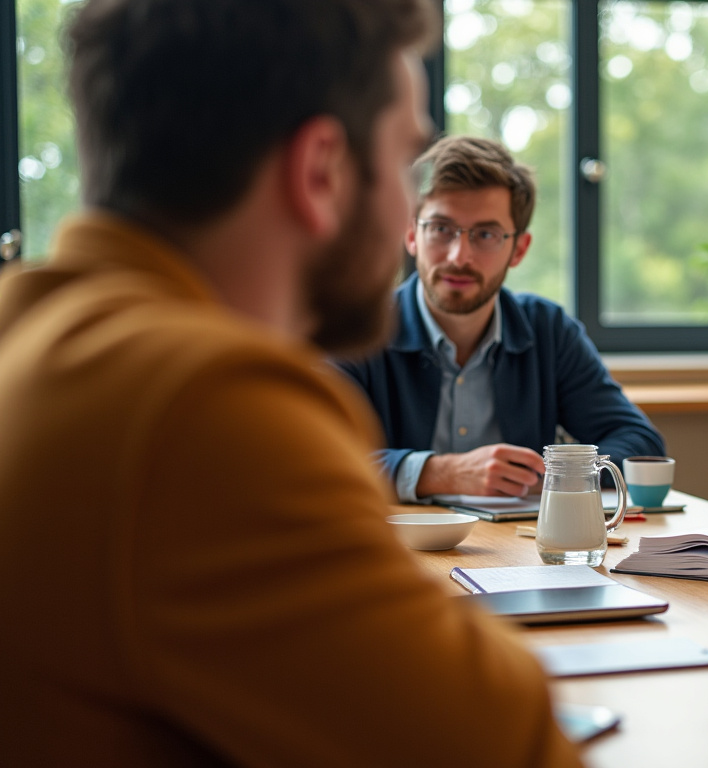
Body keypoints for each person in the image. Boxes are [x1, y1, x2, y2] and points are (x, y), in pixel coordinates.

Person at [0, 1, 580, 765]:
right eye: (403, 163)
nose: (421, 231)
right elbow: (505, 748)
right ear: (320, 173)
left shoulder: (32, 329)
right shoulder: (207, 406)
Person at [335, 134, 664, 502]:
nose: (460, 256)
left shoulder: (548, 330)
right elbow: (316, 457)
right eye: (442, 229)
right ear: (411, 234)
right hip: (394, 550)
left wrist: (554, 476)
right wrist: (441, 473)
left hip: (520, 553)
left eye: (486, 234)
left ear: (518, 249)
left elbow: (638, 441)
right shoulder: (353, 326)